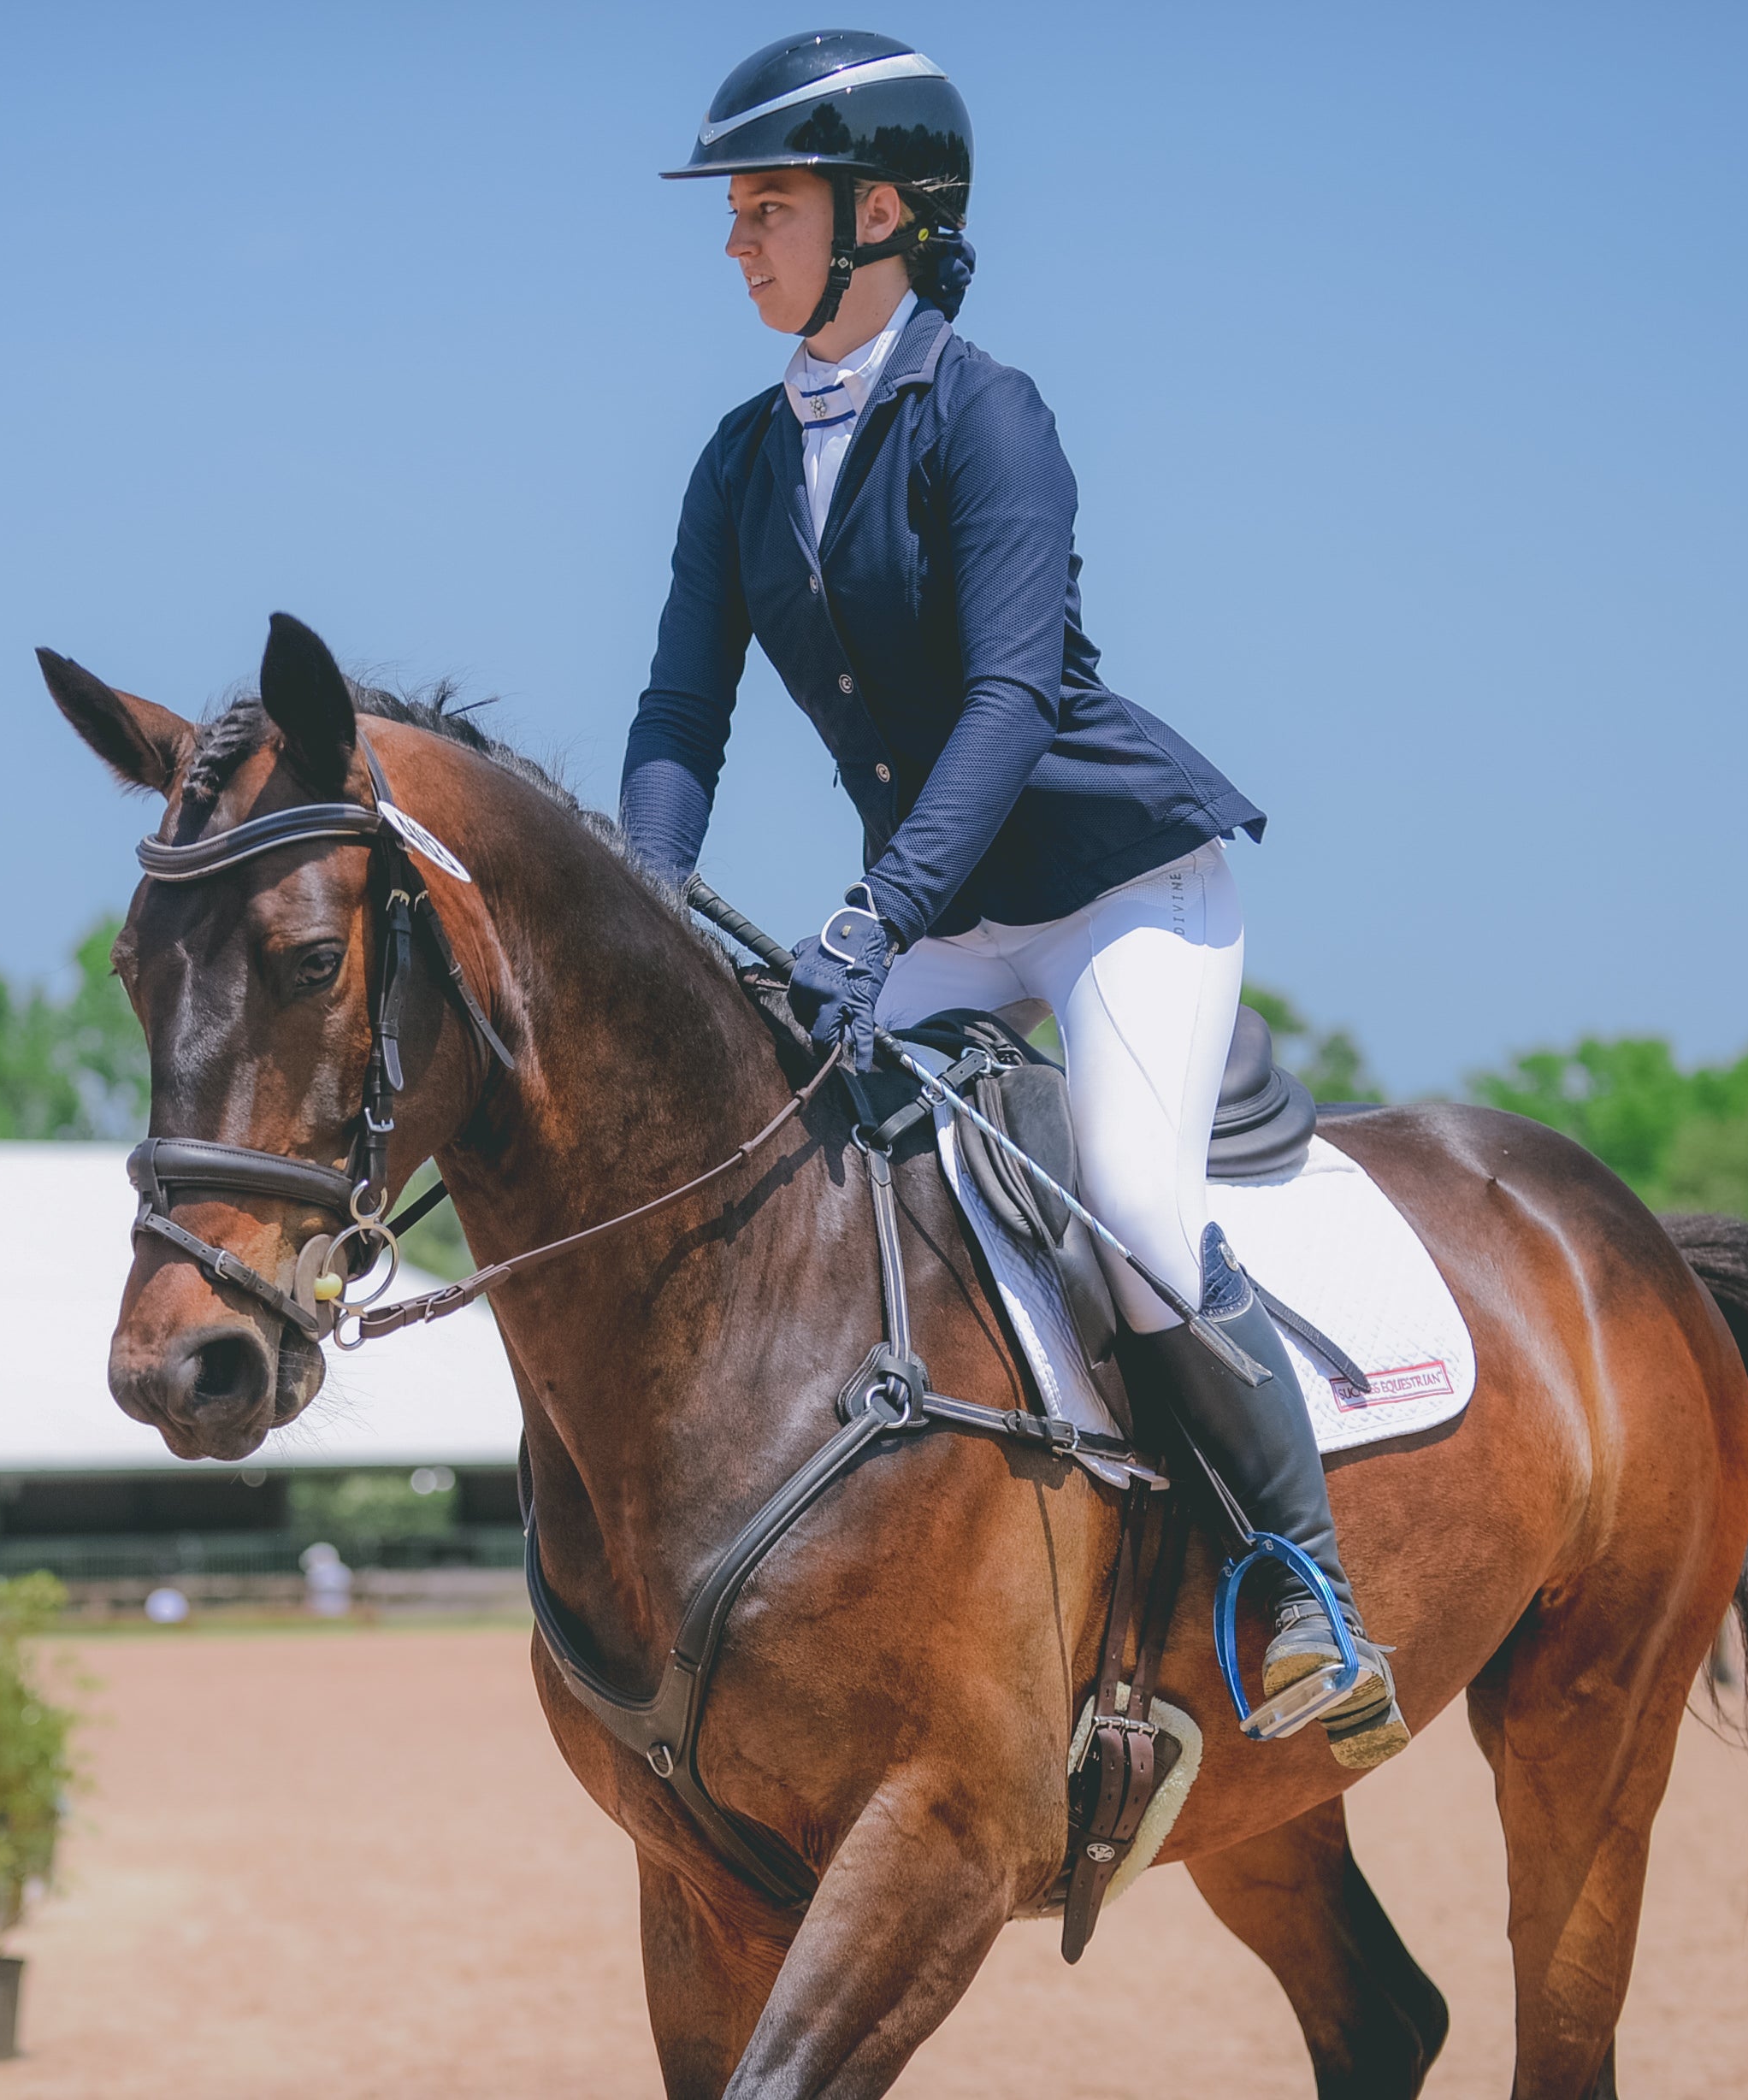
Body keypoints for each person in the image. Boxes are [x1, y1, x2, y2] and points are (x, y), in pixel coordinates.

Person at [617, 31, 1403, 1767]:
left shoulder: (990, 413)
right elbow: (682, 711)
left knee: (1124, 1193)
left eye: (766, 206)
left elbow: (1010, 698)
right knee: (797, 1176)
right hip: (937, 906)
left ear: (879, 212)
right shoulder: (739, 463)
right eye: (734, 211)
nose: (735, 241)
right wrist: (646, 911)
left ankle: (1303, 1586)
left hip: (1110, 886)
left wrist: (876, 916)